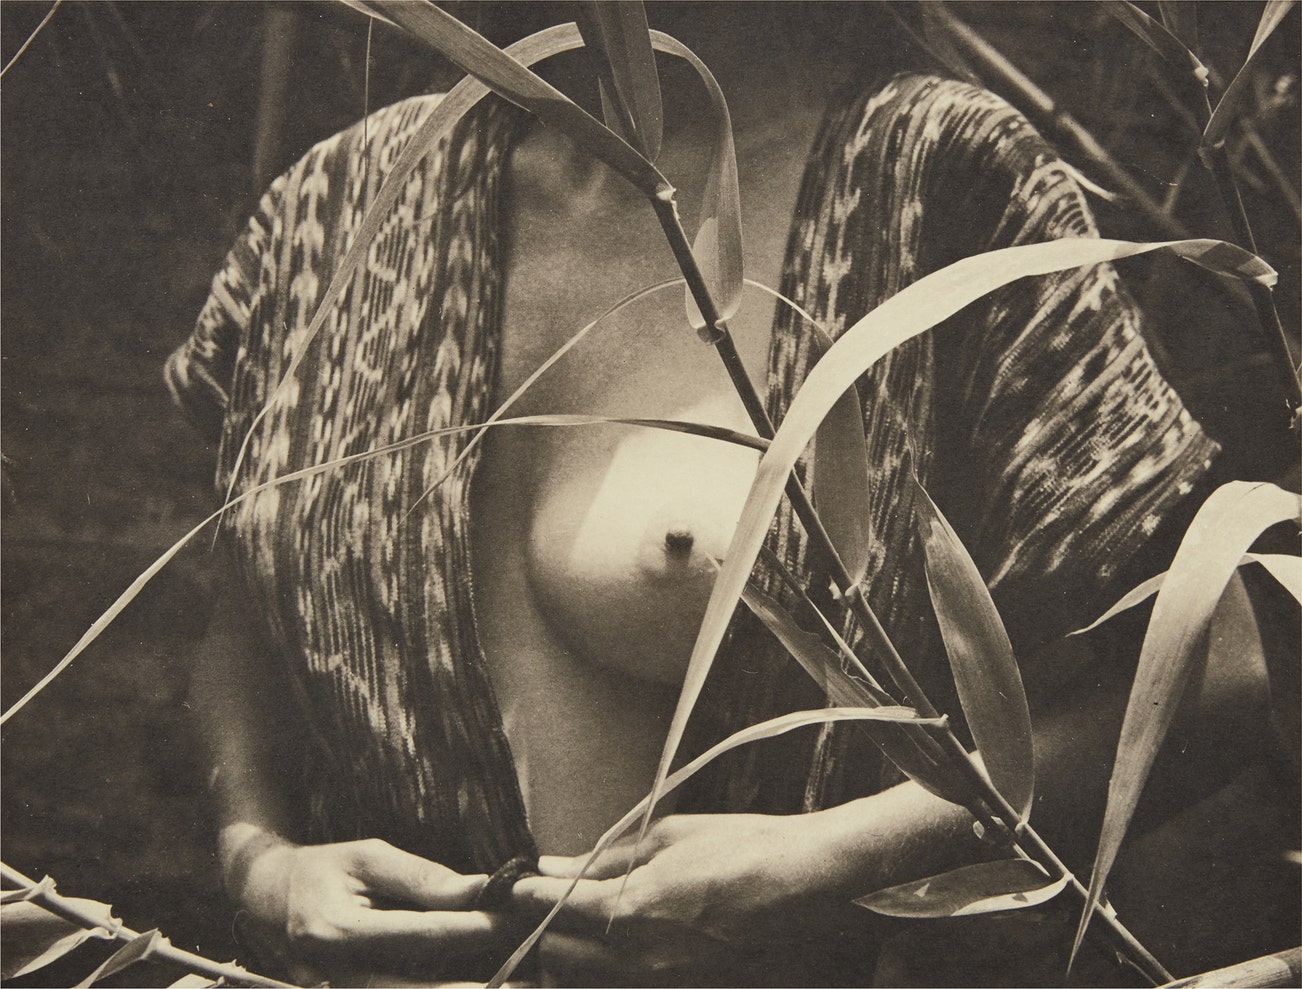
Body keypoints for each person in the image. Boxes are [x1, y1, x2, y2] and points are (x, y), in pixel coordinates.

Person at [167, 4, 1275, 985]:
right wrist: (260, 857)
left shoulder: (926, 176)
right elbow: (243, 622)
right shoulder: (339, 204)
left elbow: (1216, 668)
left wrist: (835, 863)